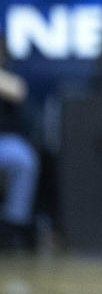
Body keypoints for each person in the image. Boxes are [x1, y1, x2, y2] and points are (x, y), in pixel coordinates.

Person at [0, 37, 39, 251]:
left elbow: (17, 90)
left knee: (22, 158)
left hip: (3, 141)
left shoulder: (10, 76)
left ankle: (13, 226)